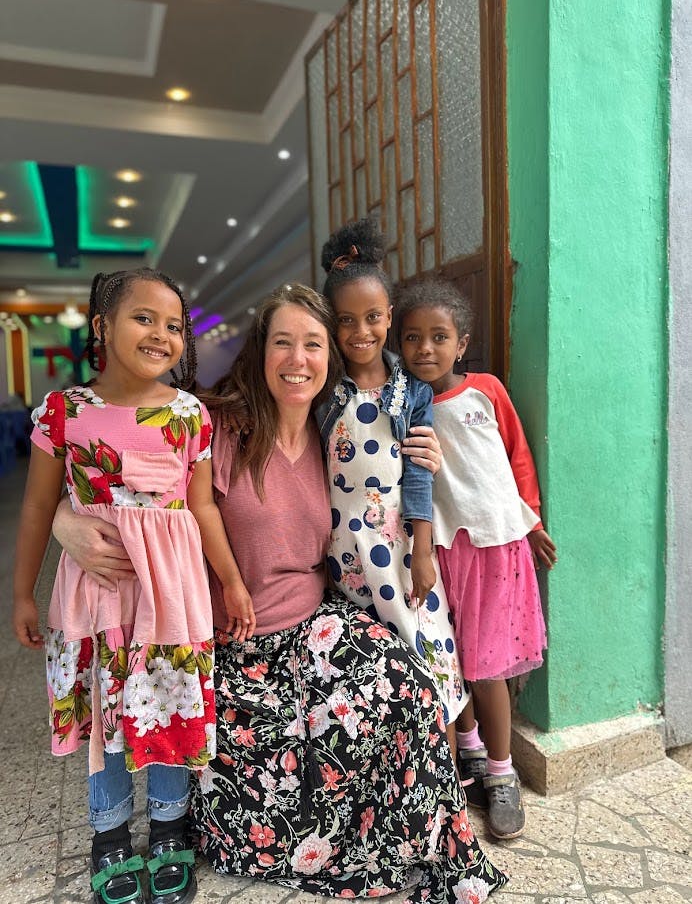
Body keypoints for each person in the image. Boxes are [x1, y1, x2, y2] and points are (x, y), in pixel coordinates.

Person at [52, 283, 508, 903]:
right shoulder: (215, 425)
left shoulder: (335, 433)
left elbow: (415, 408)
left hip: (313, 623)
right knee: (268, 804)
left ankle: (410, 843)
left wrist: (425, 451)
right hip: (231, 648)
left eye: (314, 345)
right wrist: (62, 517)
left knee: (411, 689)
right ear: (260, 352)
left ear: (331, 359)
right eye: (283, 343)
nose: (299, 359)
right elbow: (124, 468)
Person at [12, 268, 250, 904]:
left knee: (166, 702)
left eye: (174, 326)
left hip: (170, 596)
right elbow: (38, 507)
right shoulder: (65, 413)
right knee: (103, 710)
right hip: (93, 597)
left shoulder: (190, 415)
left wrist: (229, 580)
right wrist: (20, 593)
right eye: (144, 318)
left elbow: (201, 508)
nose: (162, 335)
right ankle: (109, 834)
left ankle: (171, 826)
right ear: (103, 327)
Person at [395, 277, 557, 841]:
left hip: (496, 545)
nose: (425, 349)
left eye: (438, 337)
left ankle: (502, 772)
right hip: (437, 551)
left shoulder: (486, 390)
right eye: (412, 337)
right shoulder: (403, 403)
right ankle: (467, 748)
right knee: (453, 654)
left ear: (461, 343)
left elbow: (517, 456)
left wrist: (531, 520)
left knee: (486, 664)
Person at [316, 219, 467, 744]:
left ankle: (446, 788)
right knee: (379, 674)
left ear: (389, 317)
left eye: (374, 317)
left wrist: (422, 551)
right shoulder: (323, 389)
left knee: (428, 655)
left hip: (403, 547)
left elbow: (418, 477)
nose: (362, 332)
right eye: (346, 320)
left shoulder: (409, 388)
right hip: (344, 551)